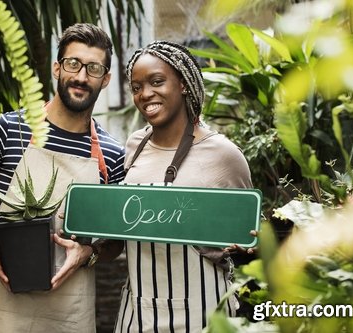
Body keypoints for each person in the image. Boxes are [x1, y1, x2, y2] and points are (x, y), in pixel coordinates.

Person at [0, 23, 125, 333]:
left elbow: (115, 242)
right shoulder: (8, 129)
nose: (81, 77)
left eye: (93, 68)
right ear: (57, 68)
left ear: (106, 78)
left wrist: (88, 252)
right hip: (6, 303)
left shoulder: (111, 155)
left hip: (71, 308)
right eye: (73, 64)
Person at [94, 40, 254, 332]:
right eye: (137, 87)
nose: (145, 94)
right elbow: (121, 233)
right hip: (136, 314)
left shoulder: (223, 154)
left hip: (204, 312)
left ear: (182, 84)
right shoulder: (134, 146)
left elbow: (249, 236)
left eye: (157, 82)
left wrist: (244, 246)